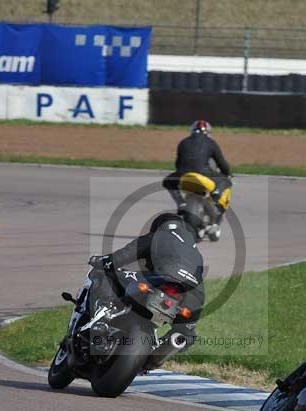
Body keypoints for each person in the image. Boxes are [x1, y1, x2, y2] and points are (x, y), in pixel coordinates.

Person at [88, 212, 205, 369]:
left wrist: (102, 261)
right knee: (186, 334)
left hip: (162, 279)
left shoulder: (159, 235)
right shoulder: (195, 251)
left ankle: (100, 322)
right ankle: (155, 358)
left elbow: (123, 256)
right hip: (193, 295)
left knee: (104, 273)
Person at [162, 120, 233, 217]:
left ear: (192, 130)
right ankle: (216, 194)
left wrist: (180, 172)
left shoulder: (183, 142)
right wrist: (227, 173)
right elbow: (221, 163)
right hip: (204, 172)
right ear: (208, 131)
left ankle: (180, 202)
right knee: (226, 181)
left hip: (183, 173)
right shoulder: (211, 142)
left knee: (167, 181)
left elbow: (178, 163)